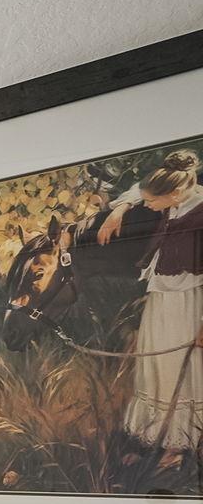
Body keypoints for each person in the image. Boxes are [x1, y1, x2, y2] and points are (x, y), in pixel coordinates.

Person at [90, 147, 203, 468]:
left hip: (190, 301)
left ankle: (179, 446)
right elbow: (139, 192)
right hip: (163, 294)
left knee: (180, 367)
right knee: (155, 367)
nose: (150, 206)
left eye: (155, 202)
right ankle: (154, 437)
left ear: (178, 192)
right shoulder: (175, 193)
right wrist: (119, 210)